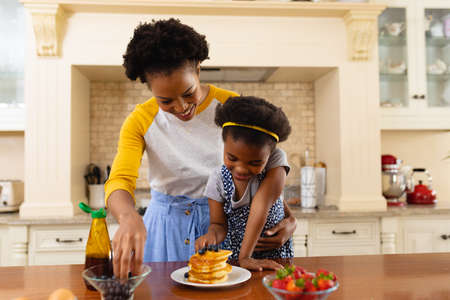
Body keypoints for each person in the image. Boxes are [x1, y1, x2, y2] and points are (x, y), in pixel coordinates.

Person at [105, 18, 297, 279]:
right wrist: (127, 217)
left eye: (188, 93)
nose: (182, 107)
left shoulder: (233, 107)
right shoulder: (140, 120)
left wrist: (289, 218)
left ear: (197, 68)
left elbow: (261, 168)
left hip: (223, 225)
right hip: (164, 228)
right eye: (166, 100)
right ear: (150, 89)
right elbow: (120, 180)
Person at [195, 96, 293, 271]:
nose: (241, 169)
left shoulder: (277, 161)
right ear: (223, 146)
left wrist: (245, 256)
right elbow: (218, 225)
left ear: (270, 156)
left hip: (275, 258)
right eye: (232, 158)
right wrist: (212, 235)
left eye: (255, 163)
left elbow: (262, 204)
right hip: (237, 262)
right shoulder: (217, 178)